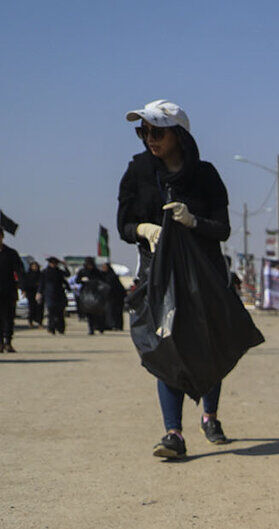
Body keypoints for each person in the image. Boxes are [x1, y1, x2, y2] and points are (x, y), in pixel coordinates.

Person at [116, 99, 233, 459]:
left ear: (179, 135)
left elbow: (223, 229)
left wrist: (194, 222)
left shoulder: (206, 175)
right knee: (165, 347)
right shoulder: (137, 172)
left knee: (208, 346)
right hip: (159, 275)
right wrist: (143, 229)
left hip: (205, 276)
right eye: (144, 131)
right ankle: (173, 434)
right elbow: (123, 225)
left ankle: (209, 416)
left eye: (157, 131)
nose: (149, 139)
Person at [74, 258, 108, 335]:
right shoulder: (82, 271)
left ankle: (100, 327)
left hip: (96, 293)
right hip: (86, 293)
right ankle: (91, 329)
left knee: (98, 311)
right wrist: (83, 280)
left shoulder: (97, 272)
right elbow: (77, 280)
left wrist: (94, 281)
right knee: (89, 312)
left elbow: (102, 280)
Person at [0, 231, 21, 352]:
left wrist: (22, 286)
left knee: (8, 318)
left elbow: (19, 271)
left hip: (8, 291)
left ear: (2, 237)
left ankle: (8, 342)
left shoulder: (11, 254)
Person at [39, 258, 70, 334]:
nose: (53, 264)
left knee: (60, 312)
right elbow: (41, 283)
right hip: (49, 294)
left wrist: (65, 266)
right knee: (51, 312)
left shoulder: (59, 272)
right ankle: (51, 328)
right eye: (52, 263)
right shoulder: (45, 272)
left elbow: (67, 274)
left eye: (55, 263)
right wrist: (39, 293)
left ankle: (60, 328)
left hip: (59, 294)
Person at [101, 260, 127, 331]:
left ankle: (117, 326)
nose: (103, 269)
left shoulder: (112, 276)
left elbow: (115, 287)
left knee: (117, 312)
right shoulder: (103, 275)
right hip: (109, 298)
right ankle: (109, 325)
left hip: (117, 297)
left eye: (104, 267)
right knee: (109, 312)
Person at [23, 260, 43, 328]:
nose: (34, 267)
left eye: (36, 266)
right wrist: (24, 291)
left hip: (39, 292)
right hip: (30, 292)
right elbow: (25, 283)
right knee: (31, 308)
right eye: (33, 266)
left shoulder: (40, 274)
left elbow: (42, 283)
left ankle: (40, 323)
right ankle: (30, 321)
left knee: (39, 308)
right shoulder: (27, 274)